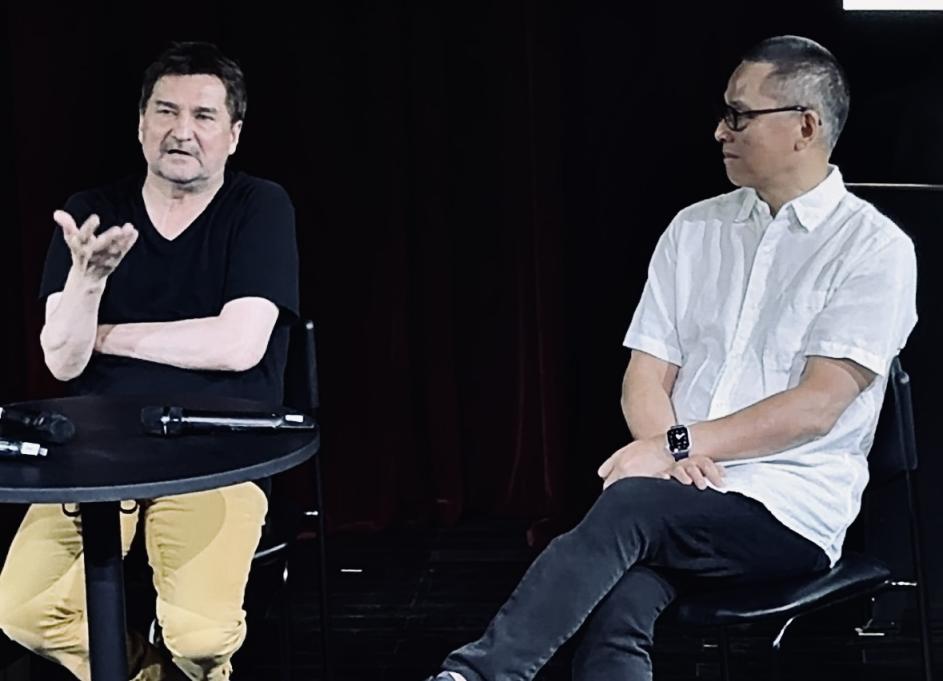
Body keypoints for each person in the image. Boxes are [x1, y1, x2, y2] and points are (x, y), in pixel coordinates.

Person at [425, 34, 918, 681]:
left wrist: (672, 446)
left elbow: (816, 407)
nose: (720, 131)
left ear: (805, 126)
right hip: (680, 494)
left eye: (739, 115)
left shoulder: (873, 248)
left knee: (629, 508)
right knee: (619, 598)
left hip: (787, 510)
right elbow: (645, 374)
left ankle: (476, 674)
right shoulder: (694, 228)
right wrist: (676, 457)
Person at [0, 41, 299, 681]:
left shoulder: (259, 206)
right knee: (25, 611)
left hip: (218, 455)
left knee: (201, 639)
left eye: (203, 115)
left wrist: (104, 332)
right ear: (141, 125)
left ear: (233, 134)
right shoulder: (92, 214)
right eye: (165, 111)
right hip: (96, 456)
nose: (181, 131)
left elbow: (237, 346)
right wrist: (86, 283)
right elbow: (61, 359)